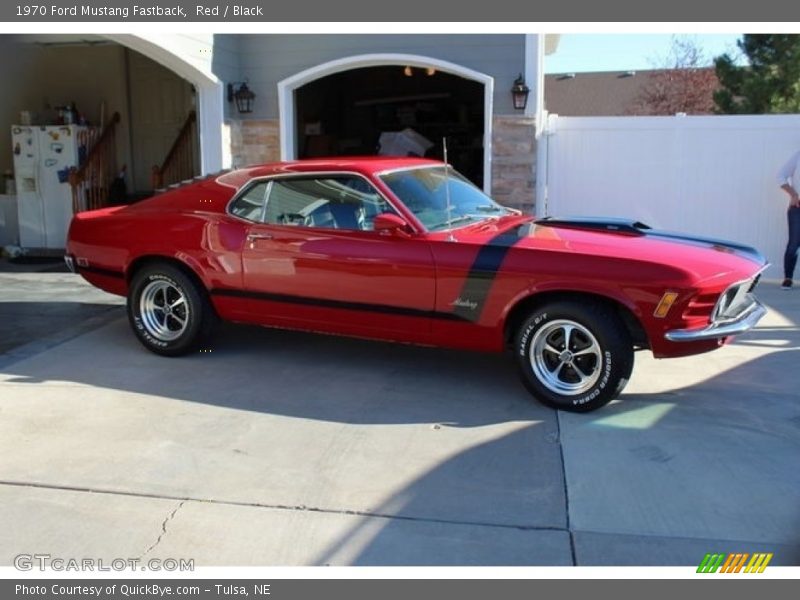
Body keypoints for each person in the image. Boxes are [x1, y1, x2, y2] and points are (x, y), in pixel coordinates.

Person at [777, 150, 800, 289]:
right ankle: (788, 278)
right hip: (797, 208)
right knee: (793, 244)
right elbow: (781, 176)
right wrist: (793, 194)